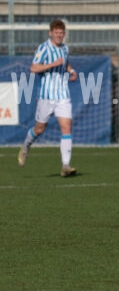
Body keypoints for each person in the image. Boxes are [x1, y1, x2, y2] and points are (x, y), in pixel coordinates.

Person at [18, 19, 78, 177]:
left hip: (63, 95)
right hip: (46, 96)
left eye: (61, 33)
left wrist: (71, 71)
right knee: (39, 129)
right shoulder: (44, 48)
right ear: (50, 33)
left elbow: (66, 64)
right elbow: (33, 67)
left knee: (66, 127)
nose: (59, 36)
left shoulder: (65, 48)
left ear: (64, 34)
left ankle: (65, 165)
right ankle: (26, 146)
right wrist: (51, 64)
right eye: (56, 33)